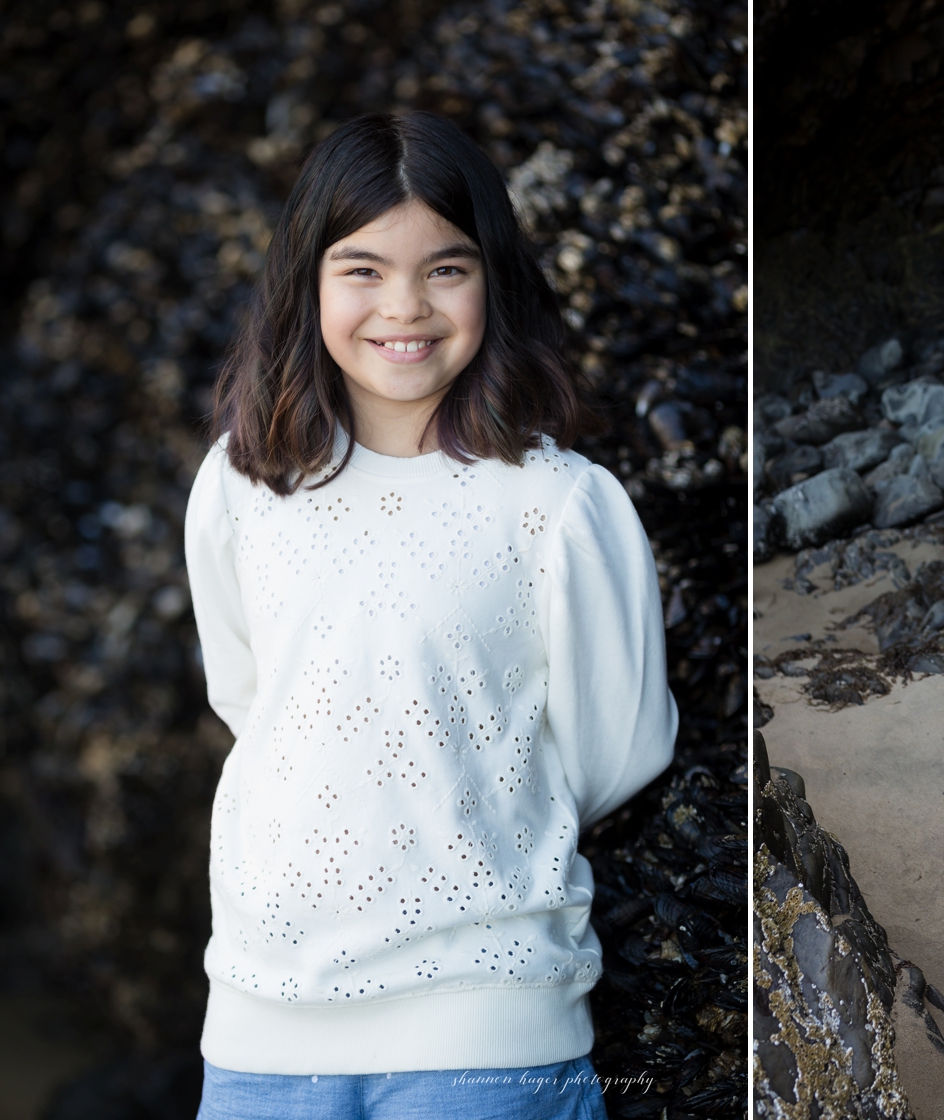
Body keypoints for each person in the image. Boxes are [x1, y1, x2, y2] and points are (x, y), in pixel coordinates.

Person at [183, 111, 677, 1119]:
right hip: (257, 1030)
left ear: (493, 280)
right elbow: (251, 699)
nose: (404, 306)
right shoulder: (241, 481)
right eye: (362, 270)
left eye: (445, 269)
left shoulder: (560, 503)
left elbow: (617, 748)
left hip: (485, 1032)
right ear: (308, 283)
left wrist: (469, 800)